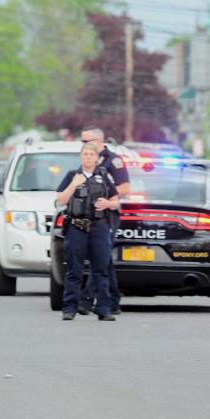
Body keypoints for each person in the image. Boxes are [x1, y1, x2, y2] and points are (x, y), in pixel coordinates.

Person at [56, 142, 121, 321]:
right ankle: (69, 309)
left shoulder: (104, 176)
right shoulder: (72, 176)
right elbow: (60, 200)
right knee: (74, 270)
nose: (88, 158)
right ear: (81, 156)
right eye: (85, 154)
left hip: (99, 227)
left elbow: (116, 202)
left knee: (101, 270)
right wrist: (74, 185)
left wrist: (108, 204)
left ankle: (104, 309)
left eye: (91, 155)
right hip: (77, 227)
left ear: (97, 158)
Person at [78, 126, 130, 315]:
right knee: (103, 258)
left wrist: (103, 193)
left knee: (100, 257)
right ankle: (113, 300)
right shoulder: (87, 159)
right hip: (88, 215)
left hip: (107, 215)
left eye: (86, 141)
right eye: (82, 141)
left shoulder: (113, 161)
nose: (83, 144)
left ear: (99, 141)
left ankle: (86, 299)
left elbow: (125, 188)